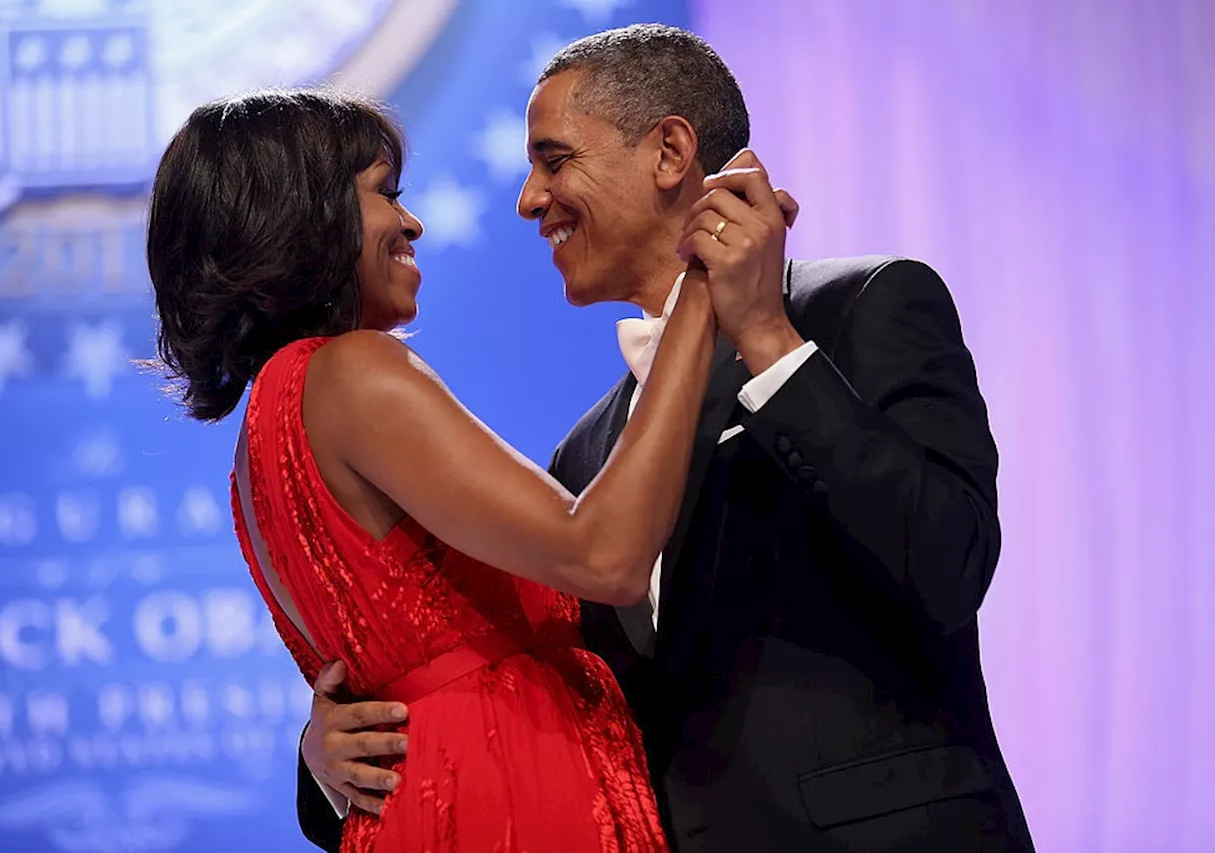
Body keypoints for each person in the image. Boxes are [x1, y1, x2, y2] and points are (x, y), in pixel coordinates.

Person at [298, 24, 1035, 853]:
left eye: (554, 159)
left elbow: (950, 561)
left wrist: (768, 341)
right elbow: (514, 675)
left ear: (670, 151)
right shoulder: (588, 455)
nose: (528, 199)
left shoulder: (863, 309)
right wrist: (326, 762)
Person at [146, 87, 791, 852]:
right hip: (505, 794)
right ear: (303, 217)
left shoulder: (268, 428)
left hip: (434, 803)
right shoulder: (348, 373)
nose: (411, 221)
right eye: (384, 195)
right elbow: (605, 555)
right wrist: (697, 293)